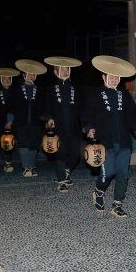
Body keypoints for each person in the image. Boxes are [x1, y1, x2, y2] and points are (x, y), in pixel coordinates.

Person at [84, 55, 136, 218]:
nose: (114, 79)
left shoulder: (124, 95)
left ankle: (117, 205)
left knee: (123, 174)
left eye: (117, 77)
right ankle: (98, 192)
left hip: (124, 142)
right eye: (110, 76)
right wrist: (89, 128)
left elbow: (133, 116)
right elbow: (87, 114)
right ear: (104, 76)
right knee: (108, 172)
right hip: (105, 142)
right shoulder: (95, 94)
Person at [42, 56, 83, 193]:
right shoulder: (51, 89)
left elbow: (81, 108)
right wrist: (49, 118)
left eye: (67, 70)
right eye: (61, 70)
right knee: (60, 154)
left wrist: (85, 124)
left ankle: (66, 172)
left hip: (74, 127)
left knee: (76, 155)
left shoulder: (75, 89)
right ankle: (61, 181)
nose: (65, 72)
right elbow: (46, 106)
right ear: (55, 72)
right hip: (58, 126)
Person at [12, 59, 48, 178]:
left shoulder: (40, 90)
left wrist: (46, 118)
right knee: (23, 143)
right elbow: (11, 107)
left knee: (33, 144)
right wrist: (9, 120)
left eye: (33, 74)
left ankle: (31, 166)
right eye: (29, 74)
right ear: (24, 75)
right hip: (21, 121)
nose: (31, 76)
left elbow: (44, 105)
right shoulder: (17, 89)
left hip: (35, 122)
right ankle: (26, 167)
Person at [0, 67, 20, 173]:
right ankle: (7, 162)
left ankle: (8, 159)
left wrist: (10, 121)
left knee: (11, 142)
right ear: (1, 80)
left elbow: (15, 107)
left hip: (13, 122)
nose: (7, 81)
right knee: (3, 142)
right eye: (4, 79)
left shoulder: (16, 92)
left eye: (9, 79)